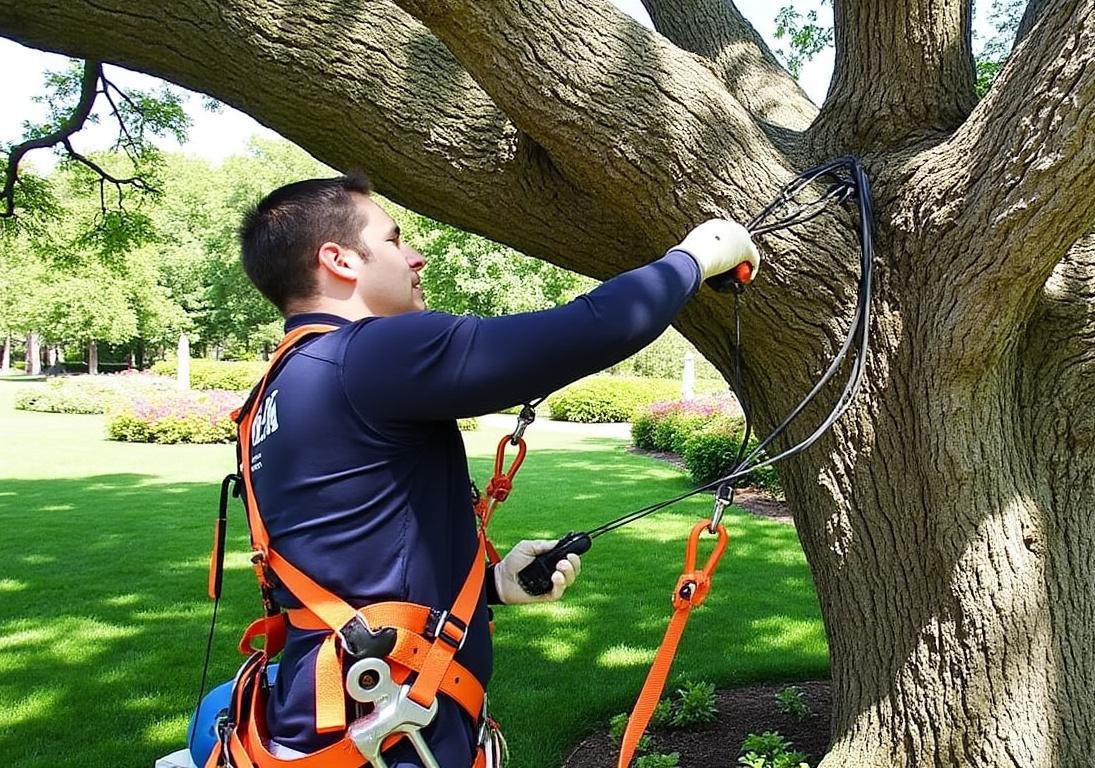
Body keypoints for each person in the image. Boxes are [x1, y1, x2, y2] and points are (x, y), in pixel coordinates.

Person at [232, 174, 759, 767]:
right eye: (394, 239)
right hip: (384, 738)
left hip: (326, 722)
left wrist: (492, 585)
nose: (415, 256)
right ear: (339, 260)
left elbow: (350, 554)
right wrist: (695, 257)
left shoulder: (273, 393)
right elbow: (587, 329)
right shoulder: (370, 353)